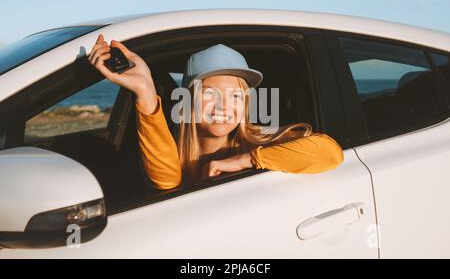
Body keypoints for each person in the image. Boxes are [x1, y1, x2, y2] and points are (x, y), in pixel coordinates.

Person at [88, 34, 344, 190]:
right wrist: (144, 90)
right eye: (210, 93)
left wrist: (244, 160)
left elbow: (331, 154)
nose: (224, 106)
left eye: (235, 95)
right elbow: (166, 183)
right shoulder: (172, 151)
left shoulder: (261, 141)